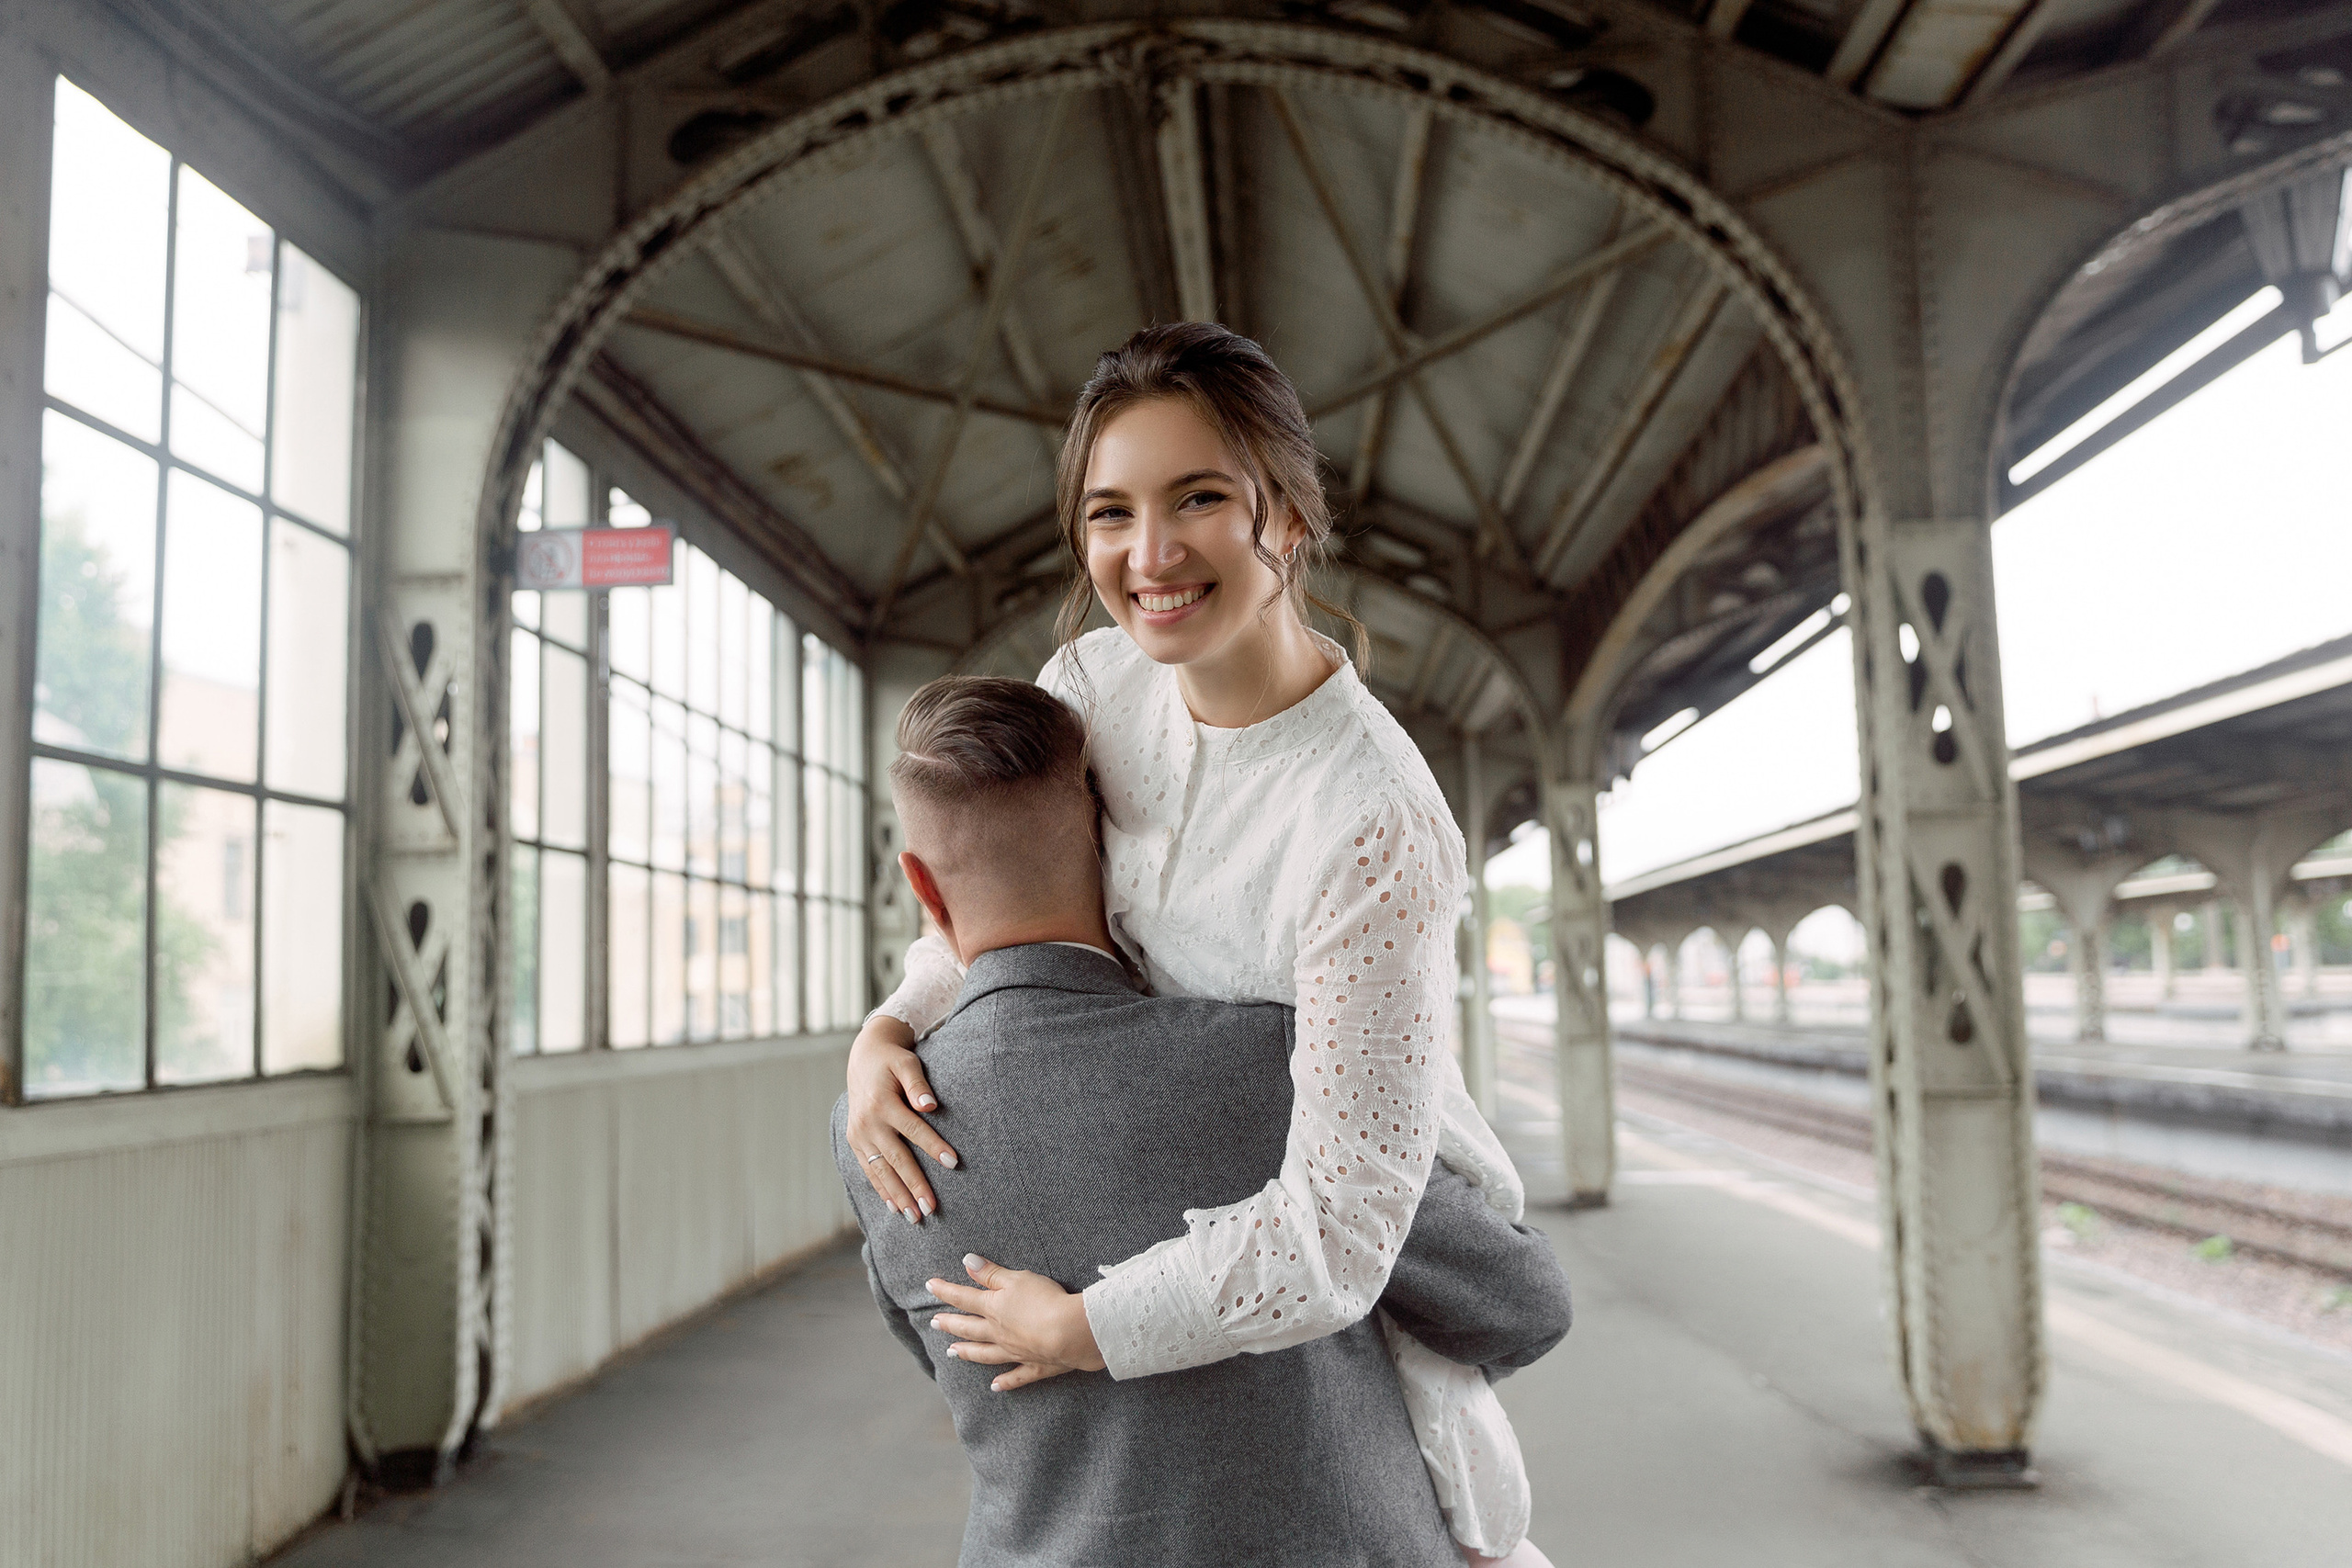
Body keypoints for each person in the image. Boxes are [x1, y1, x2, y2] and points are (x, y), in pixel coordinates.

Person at [843, 324, 1549, 1563]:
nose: (1150, 554)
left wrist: (1080, 1329)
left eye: (1200, 499)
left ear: (1289, 514)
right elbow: (1003, 871)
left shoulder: (1370, 814)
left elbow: (1340, 1233)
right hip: (1177, 1150)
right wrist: (891, 1024)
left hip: (1359, 1205)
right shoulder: (1093, 680)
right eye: (1110, 513)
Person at [836, 676, 1571, 1566]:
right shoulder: (1273, 1063)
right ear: (1113, 833)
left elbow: (951, 1363)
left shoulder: (872, 1124)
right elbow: (1517, 1306)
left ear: (919, 882)